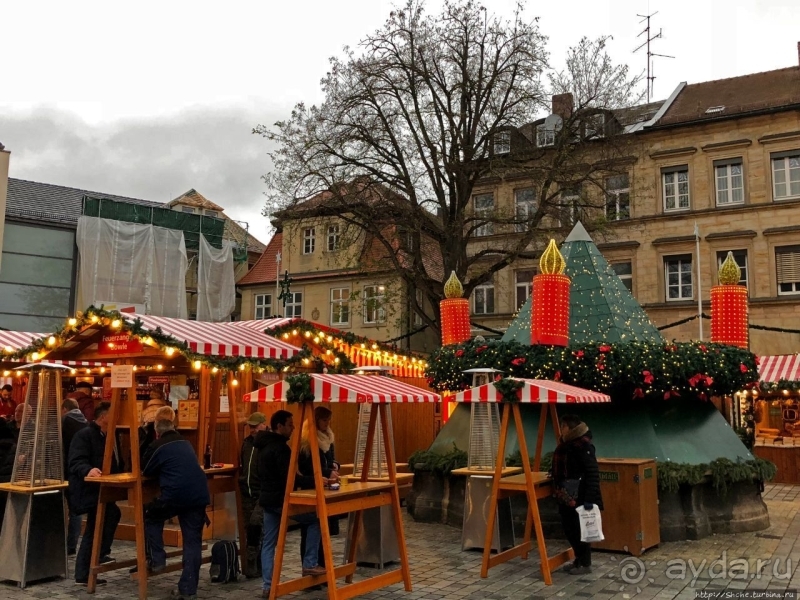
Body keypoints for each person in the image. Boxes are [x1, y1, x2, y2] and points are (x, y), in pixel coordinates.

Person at [256, 410, 327, 599]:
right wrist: (317, 480)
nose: (293, 427)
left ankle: (267, 586)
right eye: (289, 424)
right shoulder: (280, 448)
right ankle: (310, 563)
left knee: (269, 544)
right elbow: (290, 479)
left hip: (267, 500)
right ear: (279, 427)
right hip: (281, 500)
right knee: (315, 519)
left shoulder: (261, 445)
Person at [141, 417, 210, 600]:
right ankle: (188, 589)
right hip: (199, 494)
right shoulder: (186, 442)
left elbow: (146, 469)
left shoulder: (158, 445)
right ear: (174, 428)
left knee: (151, 516)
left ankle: (157, 559)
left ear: (157, 432)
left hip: (175, 494)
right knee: (193, 541)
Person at [68, 401, 122, 585]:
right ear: (103, 417)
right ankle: (84, 570)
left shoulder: (111, 435)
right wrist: (88, 470)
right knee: (95, 526)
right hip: (89, 490)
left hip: (106, 489)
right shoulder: (84, 435)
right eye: (113, 415)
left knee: (111, 515)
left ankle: (99, 555)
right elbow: (76, 461)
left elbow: (116, 461)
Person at [551, 413, 603, 575]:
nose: (561, 430)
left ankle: (585, 563)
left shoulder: (583, 445)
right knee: (570, 528)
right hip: (567, 494)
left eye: (563, 426)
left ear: (569, 427)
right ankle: (579, 560)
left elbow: (592, 472)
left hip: (580, 495)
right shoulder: (569, 444)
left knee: (581, 530)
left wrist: (588, 499)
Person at [298, 406, 340, 570]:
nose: (327, 423)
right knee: (311, 529)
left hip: (327, 487)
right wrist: (328, 471)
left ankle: (321, 567)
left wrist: (335, 466)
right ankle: (310, 567)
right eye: (324, 420)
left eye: (329, 419)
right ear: (316, 421)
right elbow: (308, 467)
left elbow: (331, 460)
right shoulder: (306, 441)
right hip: (312, 488)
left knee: (324, 531)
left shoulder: (328, 437)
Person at [239, 411, 268, 578]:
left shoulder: (266, 444)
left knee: (256, 524)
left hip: (261, 491)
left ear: (264, 425)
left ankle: (257, 562)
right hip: (246, 490)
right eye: (251, 426)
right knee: (248, 527)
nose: (253, 429)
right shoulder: (247, 443)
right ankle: (253, 565)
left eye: (256, 426)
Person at [61, 398, 88, 555]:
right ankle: (72, 545)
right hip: (80, 470)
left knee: (63, 508)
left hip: (65, 470)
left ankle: (63, 543)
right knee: (75, 510)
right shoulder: (85, 423)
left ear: (65, 408)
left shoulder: (64, 421)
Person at [138, 390, 169, 461]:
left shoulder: (145, 411)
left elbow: (141, 426)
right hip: (164, 440)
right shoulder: (167, 410)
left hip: (149, 442)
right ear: (161, 397)